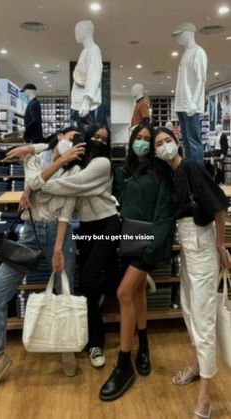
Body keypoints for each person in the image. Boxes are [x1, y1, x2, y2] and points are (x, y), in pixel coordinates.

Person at [9, 124, 121, 369]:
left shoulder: (100, 163)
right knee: (85, 285)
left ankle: (96, 338)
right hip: (86, 229)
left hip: (106, 226)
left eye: (104, 139)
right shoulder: (75, 162)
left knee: (89, 282)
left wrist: (34, 186)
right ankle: (93, 341)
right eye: (94, 136)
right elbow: (52, 146)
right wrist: (34, 149)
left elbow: (70, 187)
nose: (98, 141)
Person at [0, 128, 86, 388]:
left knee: (64, 292)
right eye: (70, 136)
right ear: (59, 137)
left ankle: (66, 347)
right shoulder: (36, 157)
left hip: (60, 233)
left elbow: (67, 210)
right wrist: (57, 160)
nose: (72, 142)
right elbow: (33, 183)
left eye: (78, 140)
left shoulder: (75, 171)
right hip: (31, 232)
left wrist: (58, 248)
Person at [152, 126, 231, 419]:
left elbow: (219, 206)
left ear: (177, 142)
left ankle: (205, 397)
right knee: (188, 309)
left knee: (204, 317)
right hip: (187, 247)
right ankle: (198, 365)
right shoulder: (170, 174)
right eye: (158, 144)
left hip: (202, 244)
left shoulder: (193, 167)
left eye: (167, 141)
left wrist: (220, 244)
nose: (163, 147)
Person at [99, 123, 173, 401]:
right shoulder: (122, 173)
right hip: (128, 241)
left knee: (124, 293)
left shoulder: (160, 172)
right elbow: (114, 205)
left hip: (149, 244)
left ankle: (123, 363)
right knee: (138, 292)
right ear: (131, 141)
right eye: (138, 138)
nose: (142, 143)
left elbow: (165, 211)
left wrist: (153, 247)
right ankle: (144, 345)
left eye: (147, 139)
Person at [172, 22, 207, 164]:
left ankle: (198, 178)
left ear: (188, 33)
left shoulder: (198, 52)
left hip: (190, 105)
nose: (177, 38)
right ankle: (191, 174)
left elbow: (201, 79)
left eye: (179, 34)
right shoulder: (186, 53)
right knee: (186, 142)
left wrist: (194, 102)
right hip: (182, 104)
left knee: (193, 142)